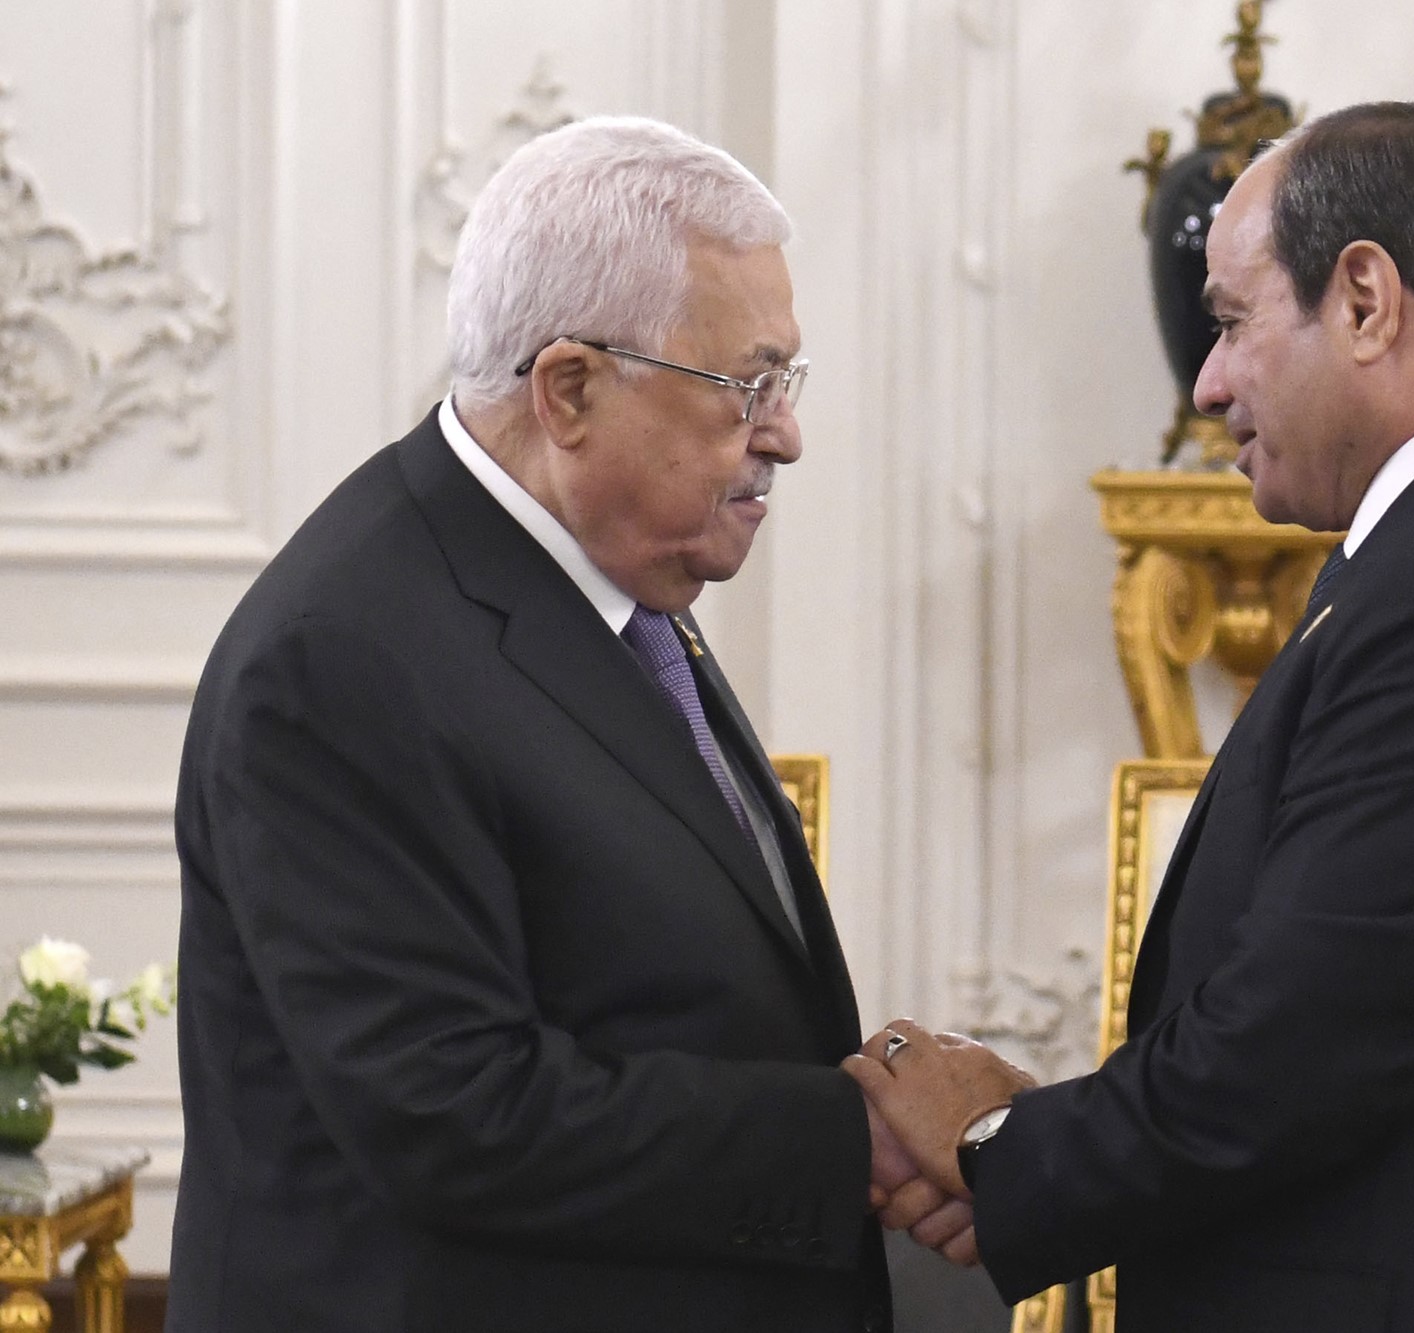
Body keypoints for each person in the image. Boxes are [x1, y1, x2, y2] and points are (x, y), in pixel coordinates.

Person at [846, 101, 1414, 1332]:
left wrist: (993, 1142)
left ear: (1366, 300)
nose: (1208, 380)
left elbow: (1290, 1056)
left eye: (1230, 321)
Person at [169, 117, 962, 1333]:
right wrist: (848, 1137)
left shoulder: (605, 582)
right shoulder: (342, 658)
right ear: (571, 389)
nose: (784, 433)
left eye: (785, 382)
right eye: (747, 385)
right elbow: (451, 1113)